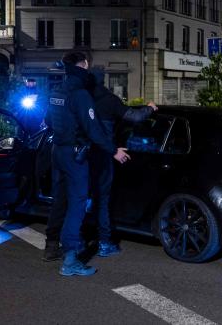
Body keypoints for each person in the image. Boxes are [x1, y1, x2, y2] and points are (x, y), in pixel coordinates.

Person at [44, 52, 130, 276]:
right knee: (77, 204)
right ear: (83, 65)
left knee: (60, 200)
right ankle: (71, 259)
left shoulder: (56, 91)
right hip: (74, 155)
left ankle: (53, 246)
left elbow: (47, 121)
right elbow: (93, 130)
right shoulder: (80, 94)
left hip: (57, 152)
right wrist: (113, 151)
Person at [87, 66, 158, 257]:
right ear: (103, 80)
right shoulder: (110, 100)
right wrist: (150, 108)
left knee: (80, 199)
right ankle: (104, 243)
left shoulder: (82, 99)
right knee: (102, 200)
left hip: (82, 156)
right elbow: (134, 117)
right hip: (104, 156)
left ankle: (77, 242)